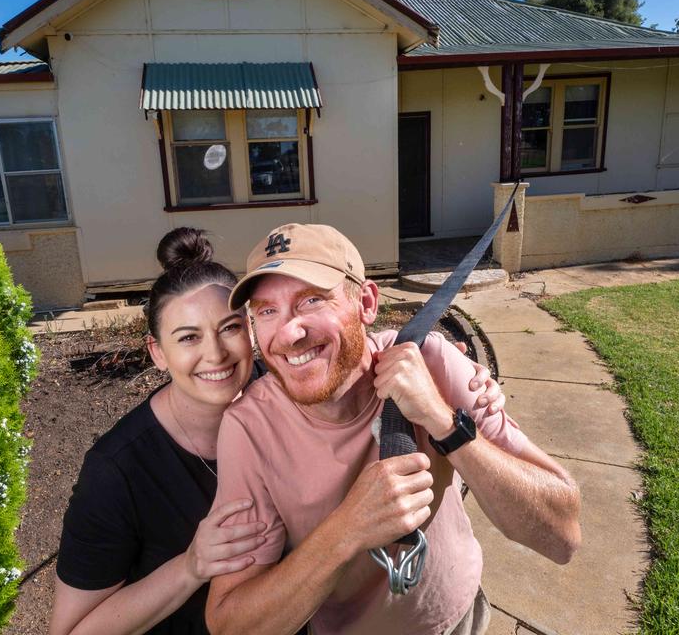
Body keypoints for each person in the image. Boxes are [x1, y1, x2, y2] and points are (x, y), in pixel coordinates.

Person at [48, 227, 507, 635]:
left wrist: (448, 372)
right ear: (157, 353)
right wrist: (189, 568)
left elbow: (346, 346)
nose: (215, 355)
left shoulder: (283, 389)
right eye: (187, 338)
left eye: (229, 328)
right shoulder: (116, 470)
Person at [205, 223, 583, 635]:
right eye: (266, 311)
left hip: (458, 618)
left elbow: (562, 535)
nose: (289, 333)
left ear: (366, 302)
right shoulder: (249, 429)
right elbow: (231, 625)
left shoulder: (431, 362)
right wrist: (348, 528)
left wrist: (443, 421)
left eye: (312, 301)